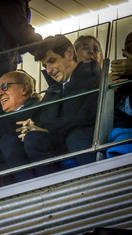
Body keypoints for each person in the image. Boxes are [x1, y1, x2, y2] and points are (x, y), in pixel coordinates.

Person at [31, 34, 101, 167]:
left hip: (82, 142)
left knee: (75, 137)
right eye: (45, 65)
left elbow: (84, 117)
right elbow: (42, 119)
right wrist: (32, 125)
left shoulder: (93, 78)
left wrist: (45, 127)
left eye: (51, 61)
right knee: (25, 139)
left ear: (69, 53)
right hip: (58, 143)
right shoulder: (52, 91)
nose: (49, 70)